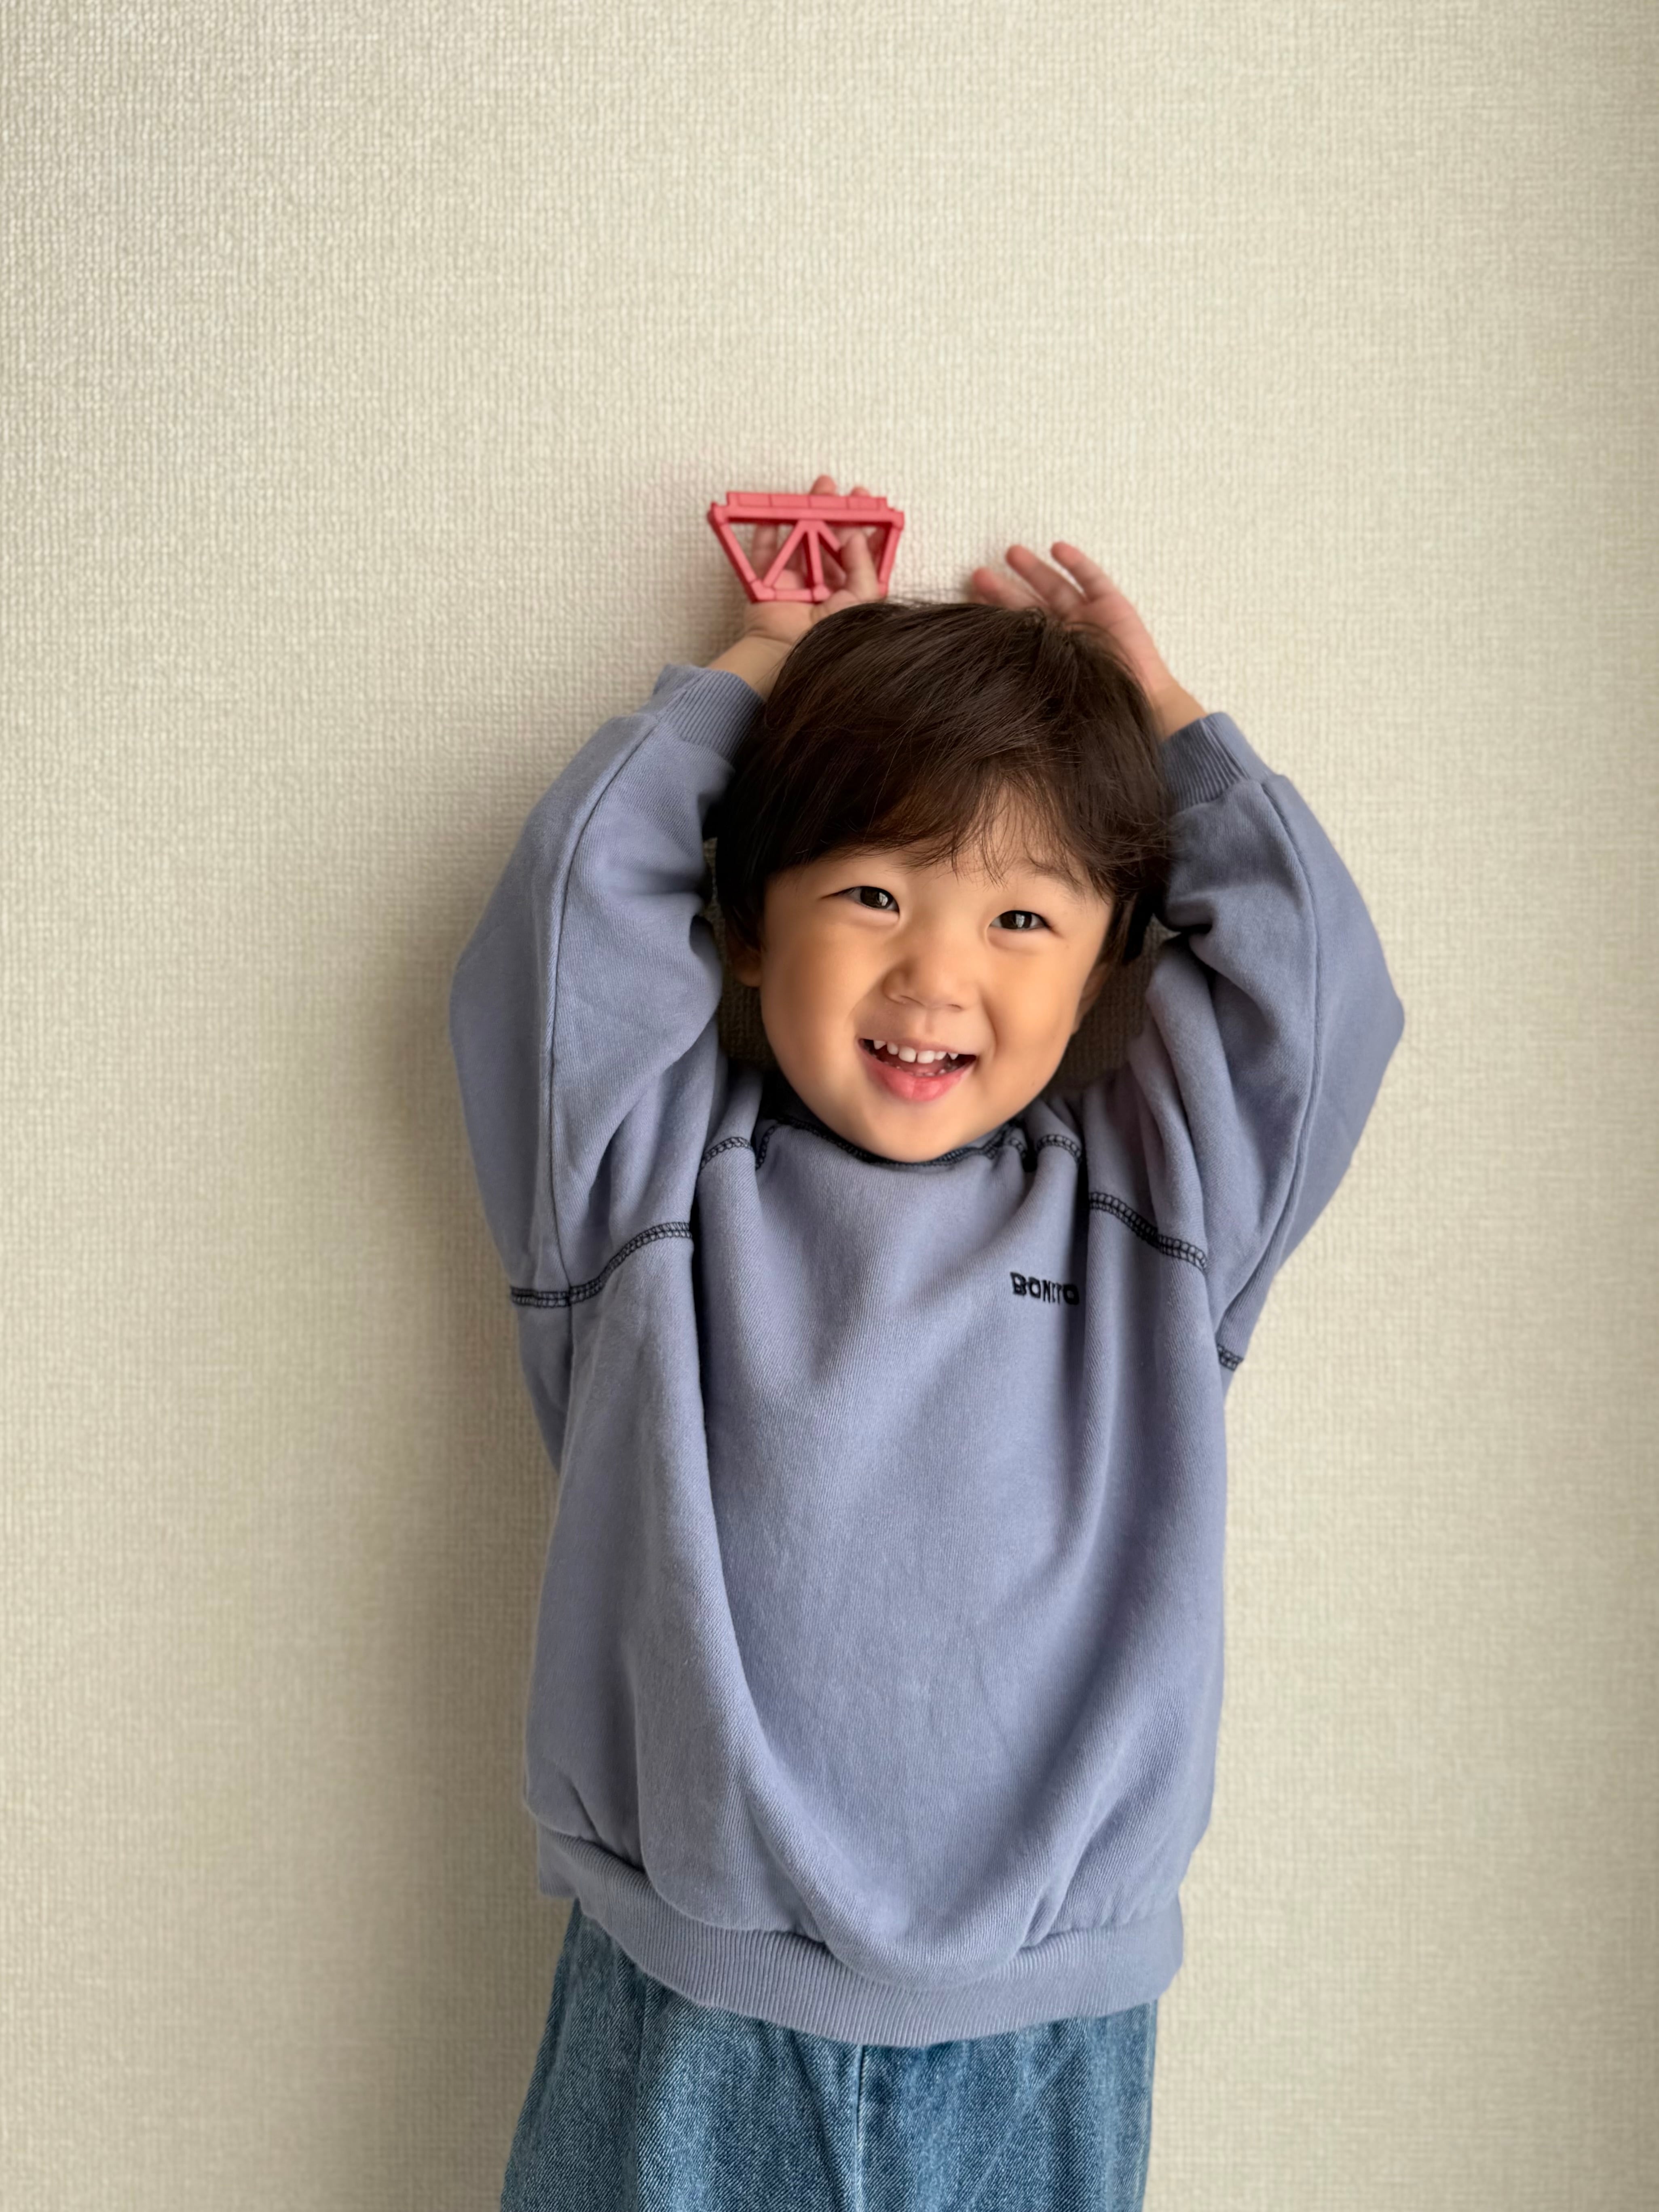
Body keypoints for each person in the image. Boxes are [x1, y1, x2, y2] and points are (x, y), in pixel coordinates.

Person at [448, 473, 1406, 2209]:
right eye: (875, 896)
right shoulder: (645, 1183)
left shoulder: (1155, 1214)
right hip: (691, 2006)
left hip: (1044, 2039)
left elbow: (1320, 997)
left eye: (1022, 917)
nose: (937, 978)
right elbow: (573, 915)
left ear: (1108, 965)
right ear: (750, 928)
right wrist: (761, 665)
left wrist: (1168, 722)